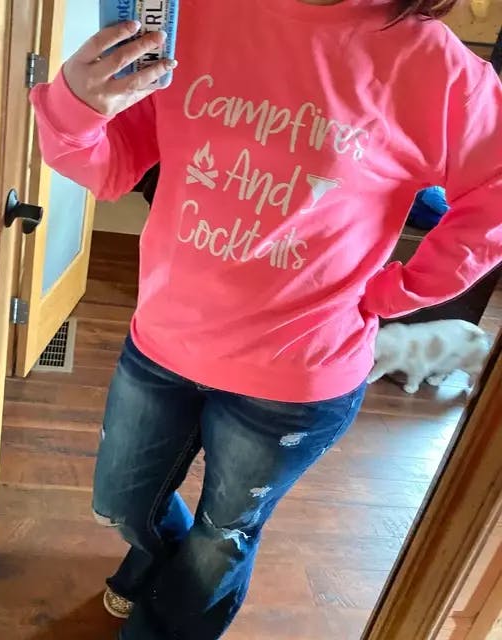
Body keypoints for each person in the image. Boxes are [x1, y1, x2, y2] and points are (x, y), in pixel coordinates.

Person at [30, 0, 502, 637]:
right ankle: (160, 564)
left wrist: (401, 291)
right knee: (121, 505)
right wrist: (74, 106)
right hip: (164, 340)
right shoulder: (187, 14)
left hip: (298, 379)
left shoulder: (437, 69)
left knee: (222, 536)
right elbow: (110, 167)